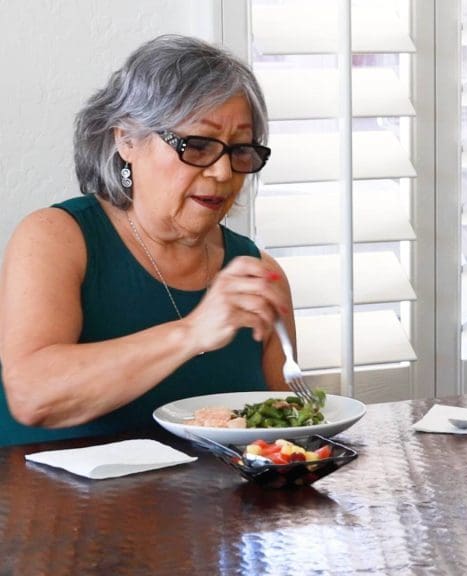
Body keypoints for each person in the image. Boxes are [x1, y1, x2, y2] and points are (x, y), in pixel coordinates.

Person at [0, 35, 295, 446]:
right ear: (127, 140)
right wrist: (192, 332)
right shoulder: (55, 237)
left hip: (214, 509)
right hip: (59, 506)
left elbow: (286, 435)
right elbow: (32, 396)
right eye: (197, 145)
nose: (224, 173)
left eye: (241, 150)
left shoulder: (258, 274)